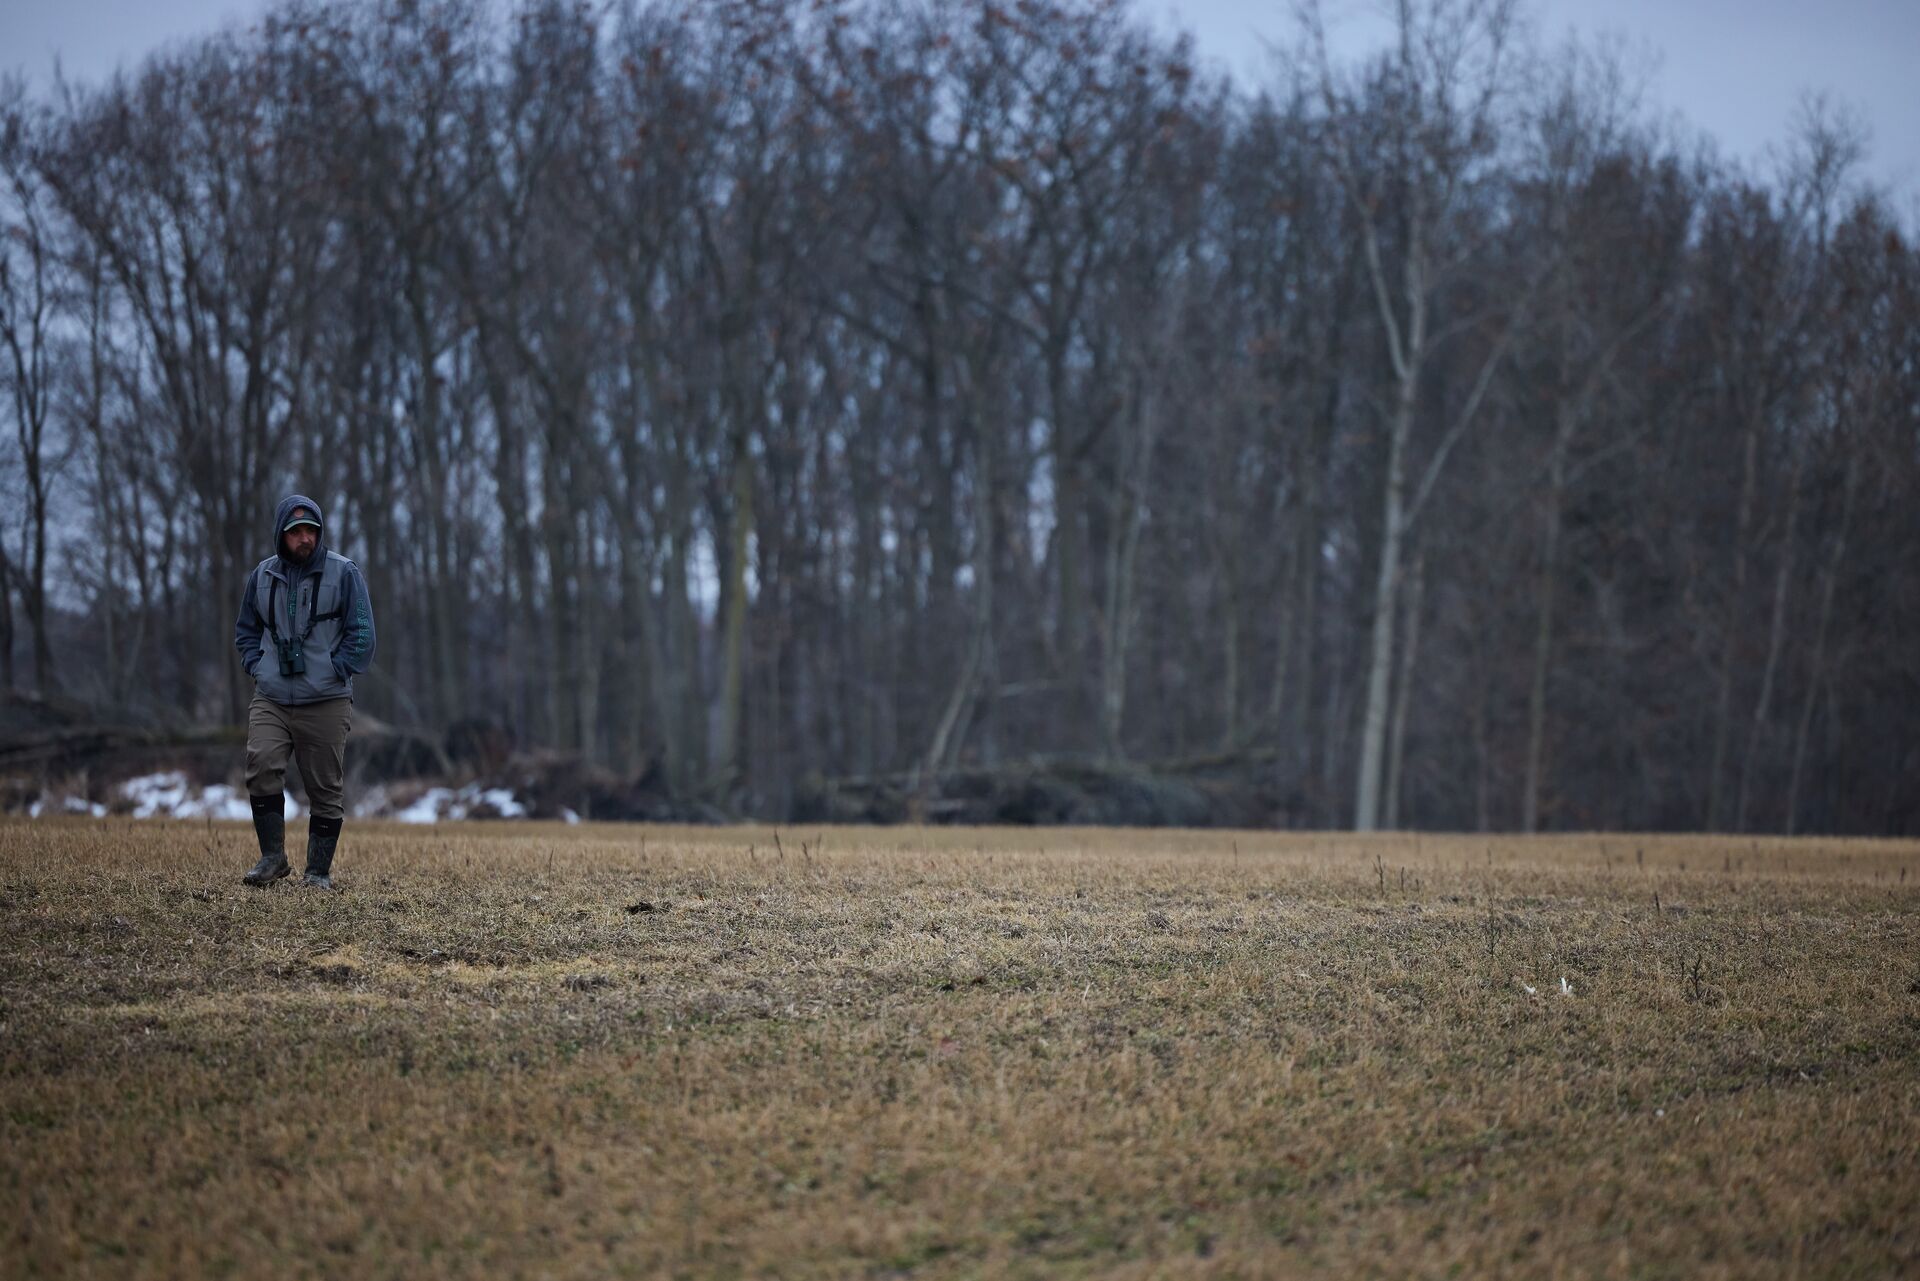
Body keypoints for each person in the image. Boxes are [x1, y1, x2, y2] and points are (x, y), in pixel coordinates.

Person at [233, 494, 376, 889]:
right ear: (281, 535)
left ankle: (318, 873)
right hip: (272, 696)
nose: (304, 539)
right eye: (295, 532)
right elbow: (245, 630)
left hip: (327, 698)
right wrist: (255, 665)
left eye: (310, 531)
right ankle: (272, 858)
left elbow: (362, 632)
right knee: (260, 766)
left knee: (325, 788)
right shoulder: (261, 576)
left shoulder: (345, 572)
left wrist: (337, 670)